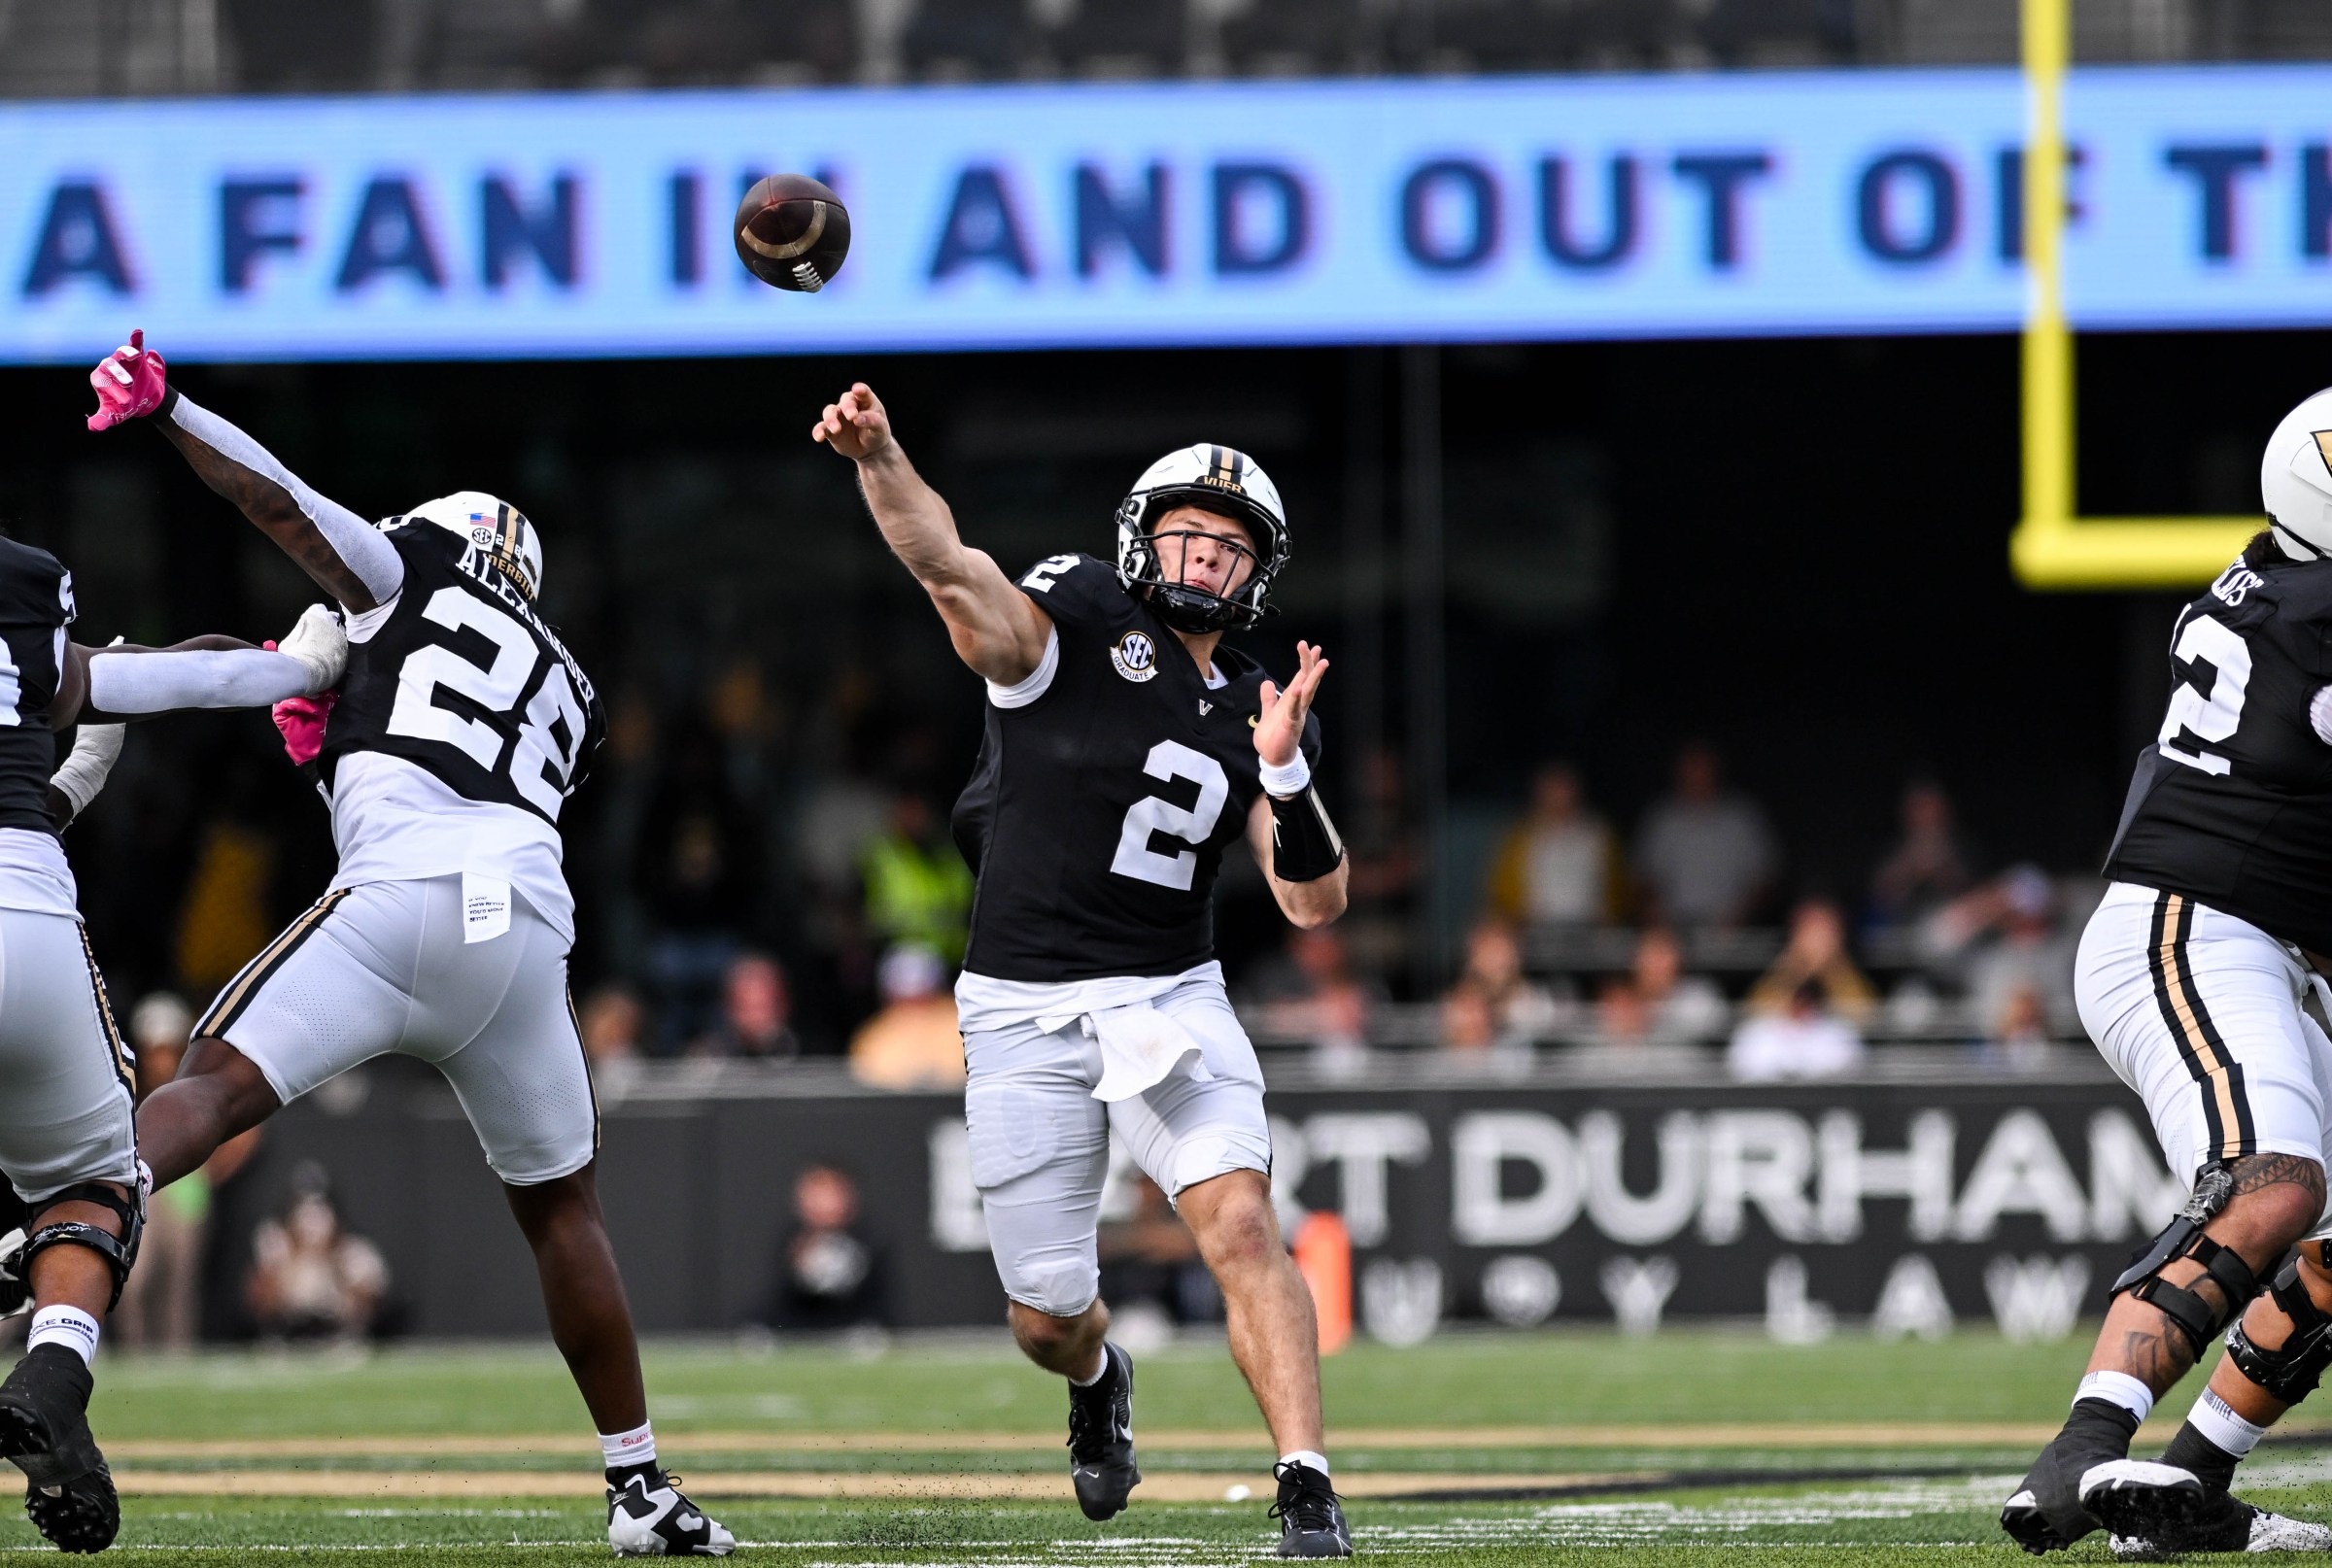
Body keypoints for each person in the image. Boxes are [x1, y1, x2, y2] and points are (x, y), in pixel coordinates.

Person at [86, 333, 734, 1556]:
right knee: (562, 1211)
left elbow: (276, 498)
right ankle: (641, 1488)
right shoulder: (574, 686)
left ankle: (49, 1238)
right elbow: (454, 740)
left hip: (402, 898)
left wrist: (173, 409)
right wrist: (329, 737)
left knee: (212, 1088)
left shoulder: (408, 574)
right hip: (522, 931)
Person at [814, 383, 1354, 1556]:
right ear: (1140, 537)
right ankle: (1098, 1377)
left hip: (1168, 992)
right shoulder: (1072, 621)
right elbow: (950, 568)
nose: (1203, 559)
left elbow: (1312, 904)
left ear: (1256, 572)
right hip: (1020, 1004)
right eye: (1185, 535)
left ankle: (1306, 1484)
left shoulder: (1266, 705)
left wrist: (1287, 775)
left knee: (1244, 1224)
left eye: (1228, 547)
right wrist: (880, 458)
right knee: (1044, 1317)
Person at [0, 333, 356, 1551]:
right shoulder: (21, 588)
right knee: (96, 1182)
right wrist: (295, 667)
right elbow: (126, 693)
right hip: (20, 907)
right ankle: (55, 1369)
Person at [1997, 391, 2332, 1556]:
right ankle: (2084, 1447)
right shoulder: (2312, 618)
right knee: (2270, 1183)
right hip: (2197, 930)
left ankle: (2189, 1486)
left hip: (2263, 941)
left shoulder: (2278, 575)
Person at [1632, 741, 1778, 928]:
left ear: (1716, 771)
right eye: (1691, 767)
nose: (1697, 775)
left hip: (1730, 930)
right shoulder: (1662, 819)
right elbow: (1642, 875)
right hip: (1673, 930)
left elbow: (1765, 876)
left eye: (1703, 767)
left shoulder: (1741, 819)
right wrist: (1654, 911)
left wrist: (1743, 914)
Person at [245, 1166, 388, 1344]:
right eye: (302, 1211)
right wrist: (291, 1261)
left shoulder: (355, 1251)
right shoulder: (275, 1243)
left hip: (340, 1338)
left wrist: (334, 1262)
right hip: (287, 1336)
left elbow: (372, 1311)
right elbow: (260, 1307)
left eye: (320, 1212)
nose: (311, 1224)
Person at [1484, 763, 1623, 928]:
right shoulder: (1520, 837)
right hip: (1533, 929)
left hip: (1591, 928)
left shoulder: (1598, 833)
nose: (1559, 796)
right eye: (1553, 789)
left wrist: (1611, 916)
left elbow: (1618, 886)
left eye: (1564, 788)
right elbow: (1501, 891)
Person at [765, 1164, 885, 1332]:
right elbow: (780, 1302)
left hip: (855, 1328)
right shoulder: (790, 1241)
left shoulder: (872, 1240)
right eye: (814, 1195)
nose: (821, 1203)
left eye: (829, 1194)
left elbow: (879, 1306)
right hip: (799, 1329)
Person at [849, 943, 966, 1089]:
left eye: (923, 999)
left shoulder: (964, 1027)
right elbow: (869, 1078)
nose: (914, 1011)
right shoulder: (874, 1037)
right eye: (904, 1000)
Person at [1745, 899, 1875, 1025]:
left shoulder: (1849, 966)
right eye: (1810, 928)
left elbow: (1865, 1017)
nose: (1817, 938)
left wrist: (1834, 965)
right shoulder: (1785, 964)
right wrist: (1795, 963)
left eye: (1824, 930)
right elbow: (1754, 1013)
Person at [1869, 779, 1976, 930]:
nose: (1926, 814)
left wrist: (1942, 871)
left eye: (1931, 806)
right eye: (1918, 806)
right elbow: (1879, 899)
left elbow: (1973, 897)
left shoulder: (1963, 847)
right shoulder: (1893, 849)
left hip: (1952, 927)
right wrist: (1909, 869)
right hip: (1901, 927)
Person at [1725, 978, 1864, 1082]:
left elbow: (1849, 1068)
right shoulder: (1755, 1032)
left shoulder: (1838, 1032)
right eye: (1794, 996)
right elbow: (1740, 1068)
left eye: (1805, 998)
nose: (1799, 1003)